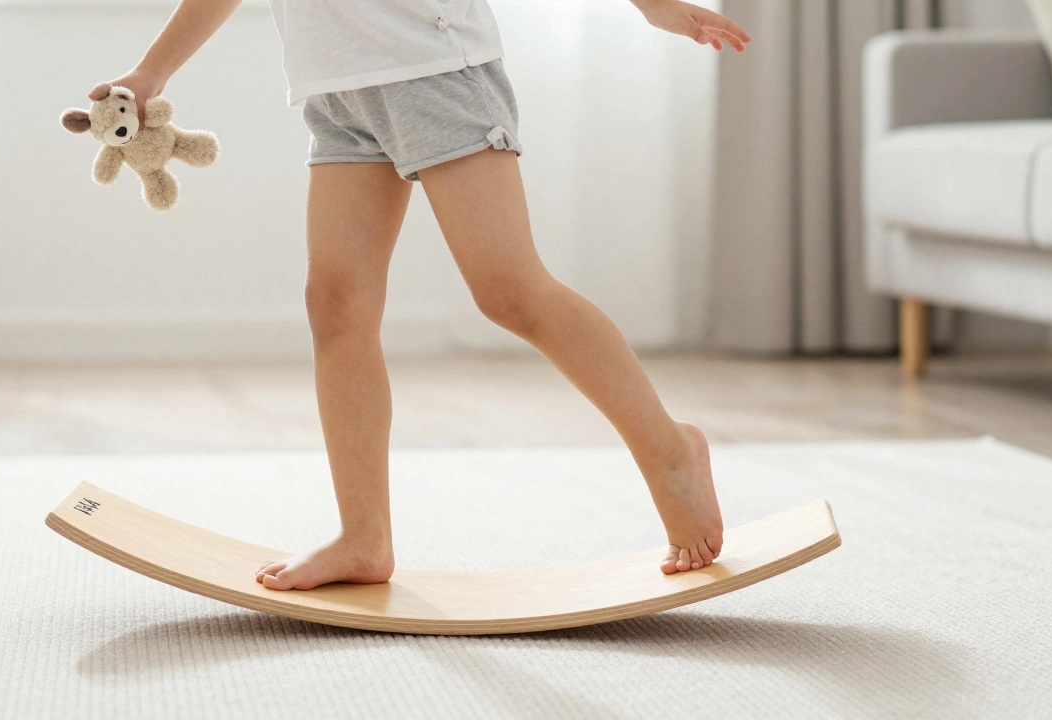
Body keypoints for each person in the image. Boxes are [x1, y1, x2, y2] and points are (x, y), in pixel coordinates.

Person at [90, 0, 751, 591]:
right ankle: (363, 535)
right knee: (335, 305)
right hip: (338, 90)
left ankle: (669, 451)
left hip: (437, 71)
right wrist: (152, 73)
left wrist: (651, 4)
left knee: (508, 290)